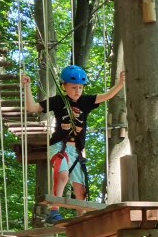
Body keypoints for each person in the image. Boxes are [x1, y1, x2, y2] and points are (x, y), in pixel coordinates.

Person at [23, 65, 126, 224]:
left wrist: (120, 83)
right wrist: (27, 87)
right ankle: (54, 211)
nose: (78, 91)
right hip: (59, 146)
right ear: (64, 86)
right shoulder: (58, 101)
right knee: (63, 175)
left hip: (76, 150)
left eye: (80, 87)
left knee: (81, 189)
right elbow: (31, 108)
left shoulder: (86, 101)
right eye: (73, 87)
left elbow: (107, 96)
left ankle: (82, 219)